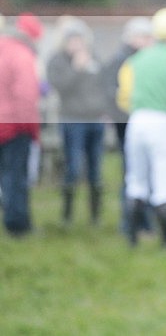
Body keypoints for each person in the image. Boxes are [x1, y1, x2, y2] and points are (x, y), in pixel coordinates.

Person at [117, 7, 166, 247]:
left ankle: (132, 240)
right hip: (165, 122)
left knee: (136, 180)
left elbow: (123, 98)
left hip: (137, 121)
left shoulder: (135, 60)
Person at [47, 18, 108, 226]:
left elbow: (103, 86)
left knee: (96, 169)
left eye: (79, 39)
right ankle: (67, 215)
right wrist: (76, 69)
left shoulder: (94, 59)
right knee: (72, 167)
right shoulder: (57, 61)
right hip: (72, 120)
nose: (77, 44)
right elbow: (61, 88)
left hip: (95, 121)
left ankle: (95, 216)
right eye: (72, 40)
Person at [101, 17, 154, 236]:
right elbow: (113, 95)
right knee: (134, 175)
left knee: (139, 175)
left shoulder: (133, 58)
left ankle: (142, 224)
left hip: (134, 124)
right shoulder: (122, 61)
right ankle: (132, 224)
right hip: (128, 127)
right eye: (144, 36)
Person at [0, 13, 43, 236]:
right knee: (16, 176)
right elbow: (26, 96)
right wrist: (31, 129)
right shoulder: (22, 55)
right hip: (14, 127)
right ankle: (18, 225)